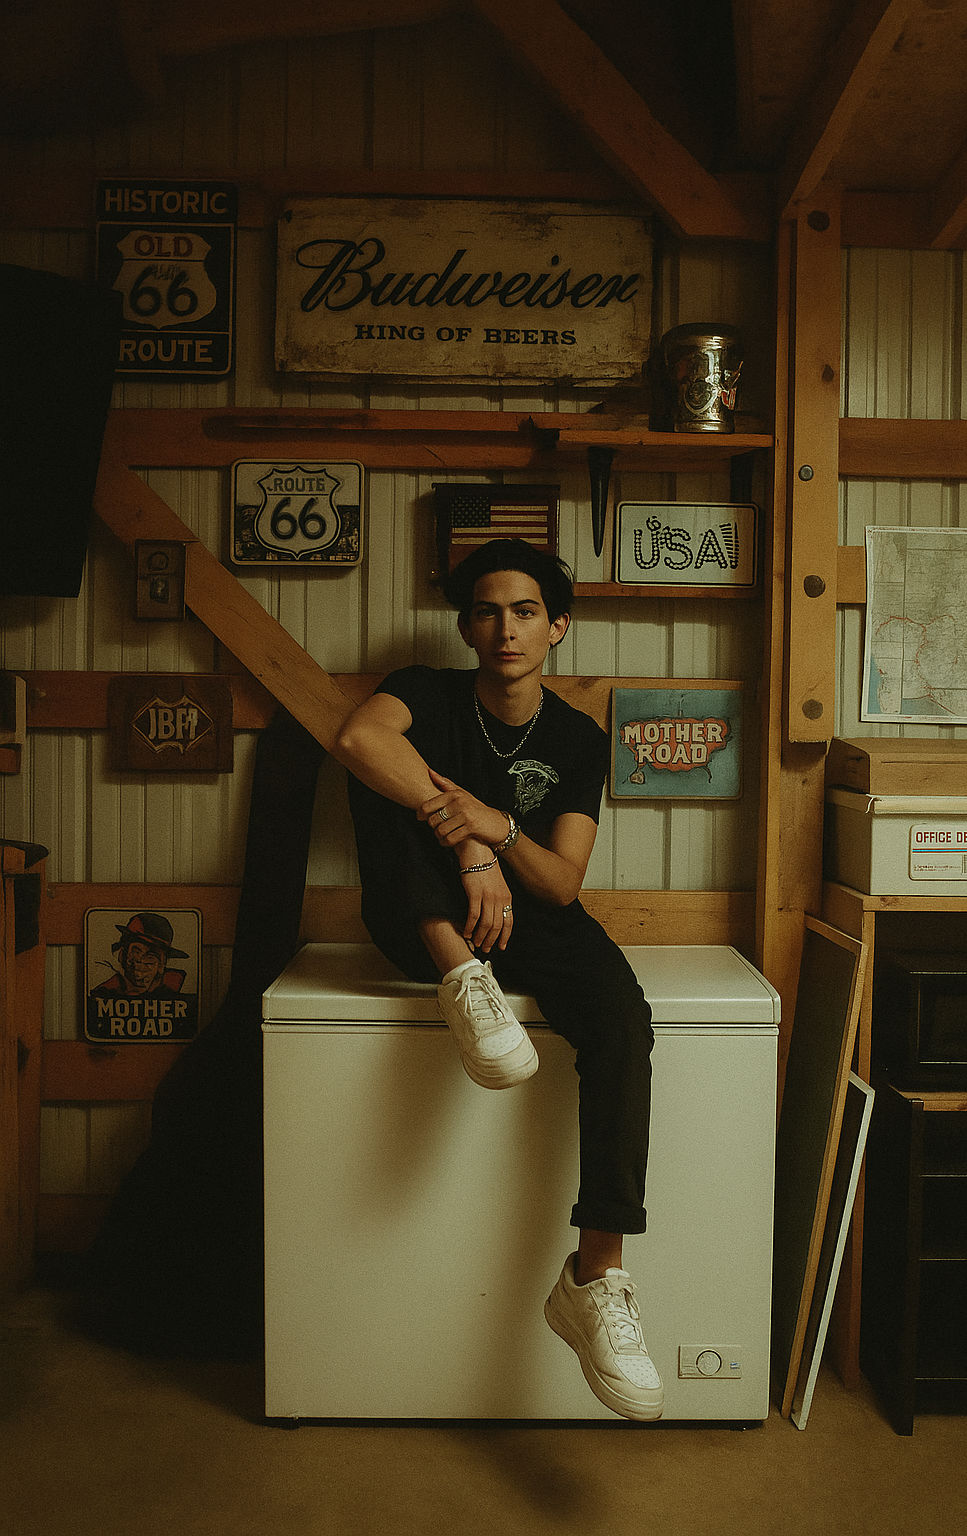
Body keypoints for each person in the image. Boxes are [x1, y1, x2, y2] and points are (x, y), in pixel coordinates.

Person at [336, 538, 662, 1421]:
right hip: (426, 917)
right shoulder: (427, 691)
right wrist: (471, 847)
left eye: (525, 611)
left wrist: (499, 828)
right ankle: (464, 985)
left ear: (557, 626)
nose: (505, 627)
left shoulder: (576, 738)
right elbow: (359, 735)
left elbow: (561, 882)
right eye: (487, 610)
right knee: (384, 770)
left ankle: (595, 1276)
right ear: (465, 625)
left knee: (626, 1026)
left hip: (535, 915)